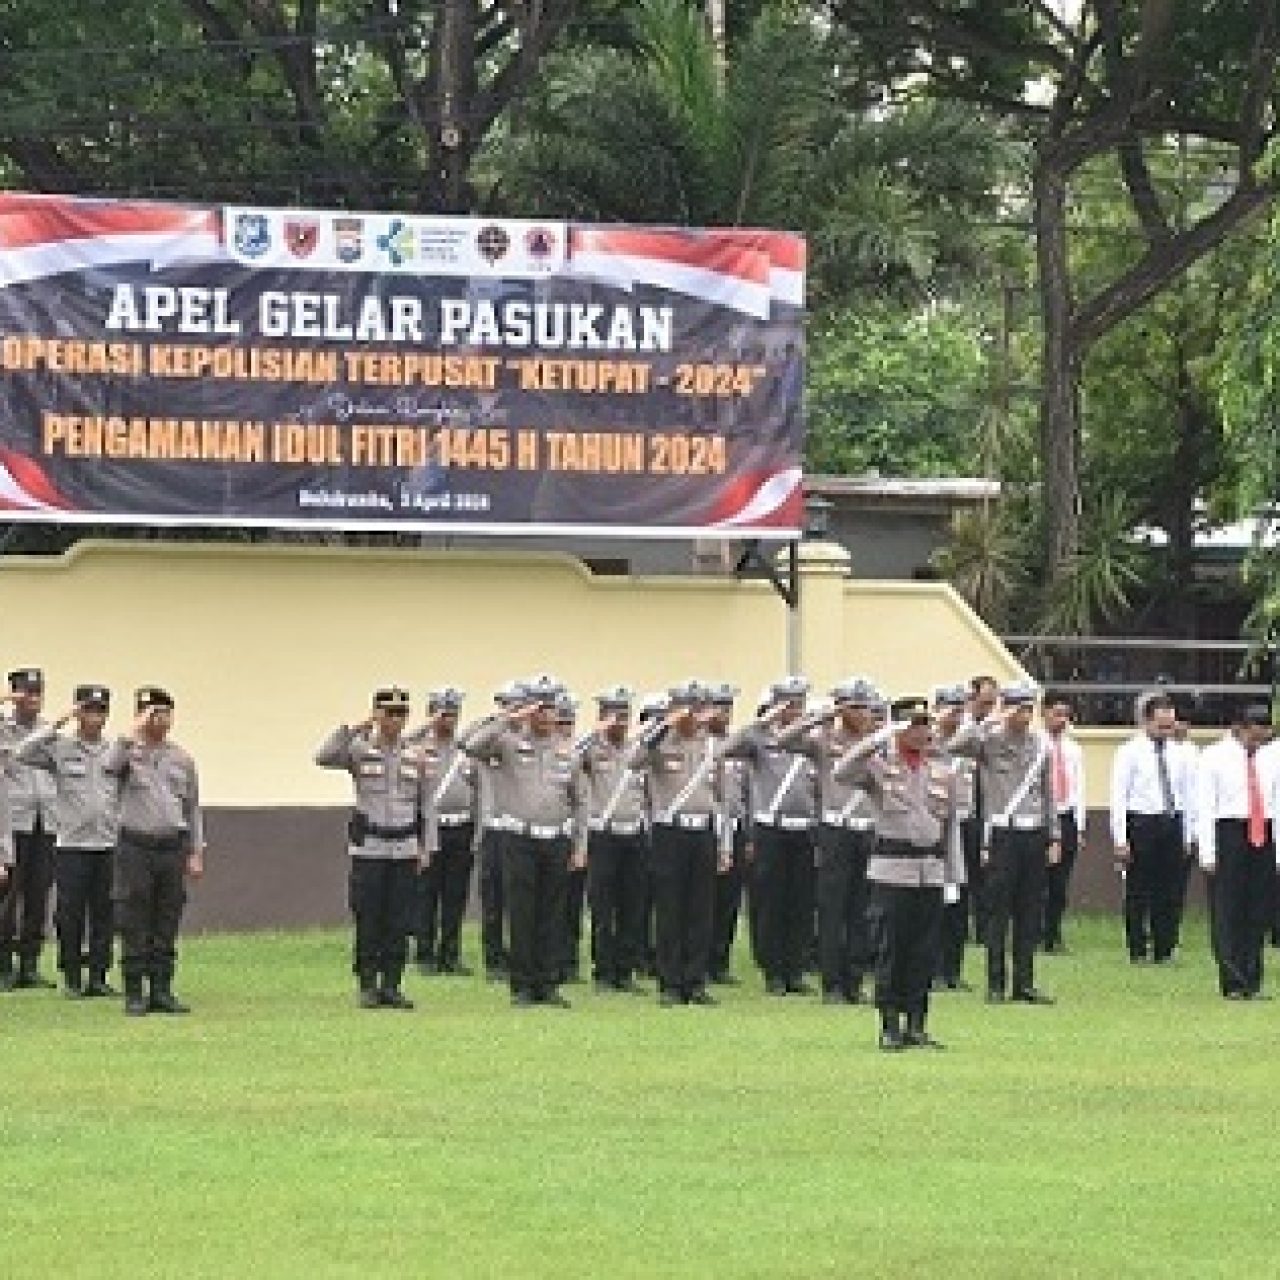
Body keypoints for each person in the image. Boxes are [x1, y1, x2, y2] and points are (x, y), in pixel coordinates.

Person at [835, 696, 963, 1051]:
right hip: (892, 872)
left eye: (925, 724)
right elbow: (841, 772)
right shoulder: (879, 767)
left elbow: (951, 827)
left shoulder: (942, 772)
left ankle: (917, 1025)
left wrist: (953, 876)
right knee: (891, 950)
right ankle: (890, 1025)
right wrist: (877, 738)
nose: (922, 732)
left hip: (930, 872)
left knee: (924, 953)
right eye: (913, 725)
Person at [460, 675, 586, 1008]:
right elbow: (469, 745)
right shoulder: (508, 743)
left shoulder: (567, 752)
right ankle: (523, 985)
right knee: (522, 913)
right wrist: (508, 717)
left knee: (552, 913)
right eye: (539, 708)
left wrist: (579, 846)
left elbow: (580, 801)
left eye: (550, 708)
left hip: (556, 839)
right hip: (519, 839)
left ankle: (548, 983)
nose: (546, 715)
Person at [315, 687, 433, 1010]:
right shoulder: (359, 750)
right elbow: (323, 756)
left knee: (400, 920)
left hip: (404, 848)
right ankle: (368, 984)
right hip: (369, 849)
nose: (396, 719)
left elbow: (426, 805)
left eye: (401, 713)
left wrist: (426, 847)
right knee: (368, 918)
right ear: (377, 714)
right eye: (389, 713)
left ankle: (392, 985)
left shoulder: (416, 755)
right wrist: (358, 726)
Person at [945, 684, 1060, 1005]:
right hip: (1002, 834)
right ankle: (996, 983)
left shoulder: (1039, 745)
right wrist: (988, 720)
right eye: (1019, 708)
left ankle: (1025, 982)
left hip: (1033, 832)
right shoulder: (989, 741)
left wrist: (1054, 834)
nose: (1025, 715)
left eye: (1028, 708)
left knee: (1029, 910)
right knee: (998, 911)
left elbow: (1047, 793)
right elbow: (954, 746)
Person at [778, 677, 880, 1005]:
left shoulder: (878, 742)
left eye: (866, 706)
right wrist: (819, 717)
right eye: (856, 707)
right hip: (835, 830)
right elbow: (784, 739)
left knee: (861, 910)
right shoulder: (824, 740)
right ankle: (832, 982)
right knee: (833, 909)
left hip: (868, 829)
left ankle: (854, 980)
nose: (863, 713)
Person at [106, 687, 204, 1016]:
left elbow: (192, 808)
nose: (160, 720)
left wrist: (195, 851)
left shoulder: (182, 759)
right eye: (153, 713)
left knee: (167, 917)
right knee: (134, 917)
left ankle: (161, 989)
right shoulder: (126, 752)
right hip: (135, 845)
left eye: (165, 713)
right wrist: (132, 733)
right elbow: (108, 767)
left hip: (171, 847)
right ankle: (134, 992)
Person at [16, 684, 119, 998]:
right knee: (70, 914)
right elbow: (22, 752)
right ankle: (72, 976)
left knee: (104, 914)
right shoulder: (61, 747)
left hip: (106, 844)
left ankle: (98, 975)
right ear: (78, 712)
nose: (95, 717)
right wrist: (58, 723)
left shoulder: (114, 750)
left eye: (100, 711)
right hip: (72, 846)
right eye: (88, 710)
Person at [628, 680, 726, 1006]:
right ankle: (670, 982)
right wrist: (663, 726)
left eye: (699, 707)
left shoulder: (711, 745)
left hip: (703, 832)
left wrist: (723, 844)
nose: (694, 714)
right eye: (688, 707)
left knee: (701, 909)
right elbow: (633, 760)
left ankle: (694, 980)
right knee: (670, 908)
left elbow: (720, 796)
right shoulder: (659, 741)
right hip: (670, 832)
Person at [722, 677, 819, 996]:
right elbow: (727, 748)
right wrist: (761, 722)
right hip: (769, 828)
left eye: (799, 703)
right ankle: (773, 970)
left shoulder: (810, 740)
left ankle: (795, 968)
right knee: (770, 902)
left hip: (803, 828)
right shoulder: (759, 739)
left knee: (801, 903)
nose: (795, 710)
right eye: (789, 704)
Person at [1197, 705, 1277, 999]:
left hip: (1262, 832)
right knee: (1229, 909)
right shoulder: (1214, 757)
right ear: (1239, 728)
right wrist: (1207, 851)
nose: (1257, 743)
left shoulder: (1272, 757)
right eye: (1253, 737)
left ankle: (1253, 979)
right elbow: (1204, 805)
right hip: (1229, 831)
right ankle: (1232, 980)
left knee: (1258, 909)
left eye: (1263, 738)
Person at [1110, 694, 1197, 964]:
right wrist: (1120, 838)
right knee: (1139, 890)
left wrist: (1189, 834)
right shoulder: (1129, 752)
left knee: (1170, 890)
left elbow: (1189, 795)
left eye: (1170, 725)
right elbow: (1118, 796)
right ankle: (1138, 948)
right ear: (1146, 722)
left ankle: (1165, 948)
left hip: (1172, 822)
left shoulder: (1181, 752)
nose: (1167, 730)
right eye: (1161, 725)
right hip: (1142, 823)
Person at [579, 686, 649, 993]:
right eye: (614, 715)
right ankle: (604, 972)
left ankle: (625, 971)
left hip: (633, 834)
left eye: (624, 715)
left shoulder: (637, 749)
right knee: (603, 908)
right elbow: (567, 756)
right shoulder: (591, 749)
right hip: (603, 835)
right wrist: (596, 732)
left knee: (632, 906)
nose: (620, 722)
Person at [408, 687, 477, 976]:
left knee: (455, 894)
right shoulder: (417, 746)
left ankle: (450, 954)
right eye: (443, 713)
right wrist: (427, 726)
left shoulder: (465, 749)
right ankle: (424, 954)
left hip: (461, 826)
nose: (448, 719)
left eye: (453, 714)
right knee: (426, 892)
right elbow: (401, 743)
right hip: (430, 826)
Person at [0, 667, 58, 989]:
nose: (34, 699)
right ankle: (3, 965)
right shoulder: (4, 728)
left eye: (38, 692)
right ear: (14, 694)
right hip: (13, 823)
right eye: (27, 692)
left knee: (38, 896)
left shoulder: (49, 730)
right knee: (8, 898)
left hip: (44, 822)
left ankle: (29, 964)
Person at [474, 680, 524, 982]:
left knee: (520, 899)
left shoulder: (528, 741)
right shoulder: (491, 737)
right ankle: (494, 959)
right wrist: (499, 721)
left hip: (520, 830)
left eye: (516, 704)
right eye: (506, 704)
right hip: (493, 829)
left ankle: (521, 957)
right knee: (493, 899)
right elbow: (467, 743)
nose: (512, 710)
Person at [933, 684, 976, 991]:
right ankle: (934, 968)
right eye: (950, 708)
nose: (956, 715)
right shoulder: (929, 743)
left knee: (961, 900)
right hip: (936, 825)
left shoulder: (970, 744)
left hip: (965, 823)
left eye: (960, 709)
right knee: (935, 900)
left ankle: (953, 969)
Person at [707, 683, 747, 985]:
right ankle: (702, 960)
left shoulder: (737, 745)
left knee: (729, 900)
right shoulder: (701, 745)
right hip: (707, 826)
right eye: (719, 708)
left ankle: (720, 960)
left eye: (728, 708)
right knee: (704, 898)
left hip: (734, 824)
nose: (724, 714)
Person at [1041, 698, 1086, 954]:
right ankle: (1034, 933)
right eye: (1056, 713)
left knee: (1060, 883)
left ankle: (1053, 934)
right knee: (1038, 881)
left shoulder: (1073, 749)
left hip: (1066, 816)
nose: (1061, 720)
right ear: (1044, 713)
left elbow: (1079, 787)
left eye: (1065, 715)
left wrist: (1079, 826)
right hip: (1041, 818)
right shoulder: (1035, 744)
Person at [556, 693, 588, 984]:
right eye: (561, 722)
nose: (566, 728)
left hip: (571, 835)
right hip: (548, 835)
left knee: (572, 905)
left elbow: (581, 802)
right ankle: (549, 962)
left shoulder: (579, 752)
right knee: (550, 903)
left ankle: (569, 961)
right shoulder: (544, 752)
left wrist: (581, 845)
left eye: (569, 722)